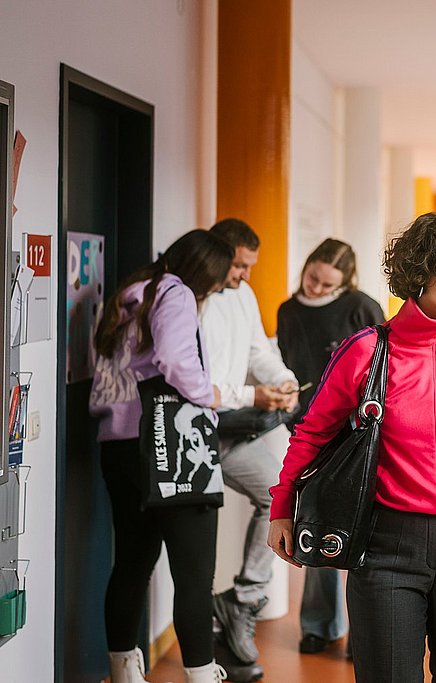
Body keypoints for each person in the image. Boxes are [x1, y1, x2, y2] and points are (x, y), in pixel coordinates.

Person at [268, 212, 436, 682]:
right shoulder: (366, 349)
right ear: (423, 269)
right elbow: (312, 433)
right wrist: (282, 506)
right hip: (384, 543)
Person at [89, 229, 233, 683]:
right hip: (170, 446)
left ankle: (125, 673)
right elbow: (173, 357)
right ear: (204, 274)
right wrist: (206, 394)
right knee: (193, 574)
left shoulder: (127, 297)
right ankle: (201, 675)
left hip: (119, 445)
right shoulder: (176, 294)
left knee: (132, 562)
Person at [199, 218, 299, 677]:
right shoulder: (192, 299)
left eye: (248, 266)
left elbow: (257, 349)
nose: (244, 275)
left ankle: (241, 602)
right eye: (239, 265)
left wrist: (280, 379)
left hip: (235, 427)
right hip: (197, 432)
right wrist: (254, 395)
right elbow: (199, 383)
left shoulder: (242, 293)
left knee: (285, 499)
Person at [276, 238, 385, 655]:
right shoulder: (288, 311)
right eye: (313, 279)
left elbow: (382, 366)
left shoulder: (362, 307)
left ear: (346, 282)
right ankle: (318, 624)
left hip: (360, 432)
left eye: (327, 284)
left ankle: (366, 630)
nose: (318, 289)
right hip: (310, 428)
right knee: (315, 524)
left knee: (367, 530)